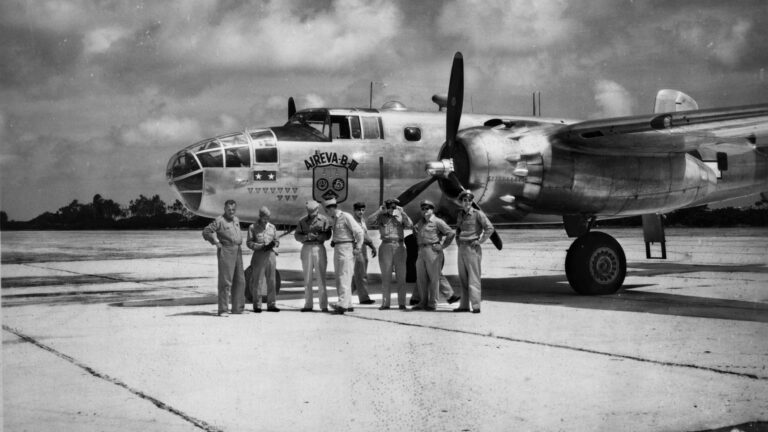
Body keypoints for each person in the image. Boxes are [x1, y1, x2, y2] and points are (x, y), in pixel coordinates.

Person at [202, 200, 245, 316]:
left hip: (238, 250)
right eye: (229, 209)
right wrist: (215, 241)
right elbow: (206, 231)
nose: (231, 211)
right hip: (226, 250)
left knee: (240, 280)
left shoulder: (236, 219)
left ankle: (237, 308)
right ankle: (223, 310)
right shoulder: (219, 220)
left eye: (233, 209)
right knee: (225, 281)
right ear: (225, 209)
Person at [367, 198, 413, 310]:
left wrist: (403, 212)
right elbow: (368, 222)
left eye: (394, 207)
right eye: (389, 206)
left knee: (401, 276)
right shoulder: (381, 216)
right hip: (386, 245)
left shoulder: (400, 216)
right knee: (386, 276)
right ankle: (385, 303)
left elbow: (410, 225)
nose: (392, 209)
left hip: (399, 246)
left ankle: (402, 303)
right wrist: (380, 211)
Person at [454, 190, 495, 314]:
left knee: (474, 278)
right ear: (461, 202)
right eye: (465, 200)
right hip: (461, 248)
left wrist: (480, 241)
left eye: (470, 200)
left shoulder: (478, 214)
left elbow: (489, 228)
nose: (467, 202)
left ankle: (476, 306)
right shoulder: (460, 214)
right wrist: (458, 241)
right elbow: (458, 229)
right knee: (463, 278)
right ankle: (464, 306)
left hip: (472, 248)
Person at [412, 200, 455, 311]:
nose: (425, 211)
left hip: (433, 251)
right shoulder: (421, 222)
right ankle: (422, 302)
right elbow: (415, 230)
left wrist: (443, 246)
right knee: (421, 278)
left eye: (427, 208)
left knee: (434, 278)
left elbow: (450, 233)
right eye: (423, 209)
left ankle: (432, 303)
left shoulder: (437, 221)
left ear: (432, 210)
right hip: (421, 251)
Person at [325, 198, 364, 315]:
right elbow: (339, 233)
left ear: (331, 208)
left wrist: (358, 247)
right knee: (340, 276)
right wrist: (334, 240)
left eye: (327, 211)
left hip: (346, 248)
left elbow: (359, 232)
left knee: (344, 276)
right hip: (338, 247)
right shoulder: (334, 219)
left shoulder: (345, 216)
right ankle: (348, 304)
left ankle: (342, 305)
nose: (327, 213)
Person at [294, 200, 332, 312]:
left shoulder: (324, 220)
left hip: (319, 247)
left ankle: (324, 305)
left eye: (313, 211)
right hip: (306, 248)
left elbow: (328, 234)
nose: (312, 213)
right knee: (307, 278)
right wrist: (306, 237)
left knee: (321, 277)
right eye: (309, 212)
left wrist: (320, 236)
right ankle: (308, 304)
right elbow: (297, 235)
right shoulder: (302, 221)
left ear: (317, 210)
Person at [246, 206, 280, 313]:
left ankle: (272, 305)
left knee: (272, 280)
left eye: (268, 217)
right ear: (260, 217)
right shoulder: (253, 227)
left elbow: (277, 240)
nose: (267, 220)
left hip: (271, 255)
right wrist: (260, 246)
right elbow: (249, 243)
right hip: (259, 255)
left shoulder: (272, 227)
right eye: (265, 217)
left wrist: (274, 244)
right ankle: (257, 305)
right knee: (258, 281)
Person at [351, 202, 376, 306]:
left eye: (362, 210)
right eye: (359, 210)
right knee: (361, 274)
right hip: (358, 248)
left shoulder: (361, 220)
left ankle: (345, 296)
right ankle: (364, 298)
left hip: (363, 248)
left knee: (357, 274)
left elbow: (365, 234)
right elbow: (362, 235)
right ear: (354, 210)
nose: (361, 212)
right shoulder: (353, 222)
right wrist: (372, 245)